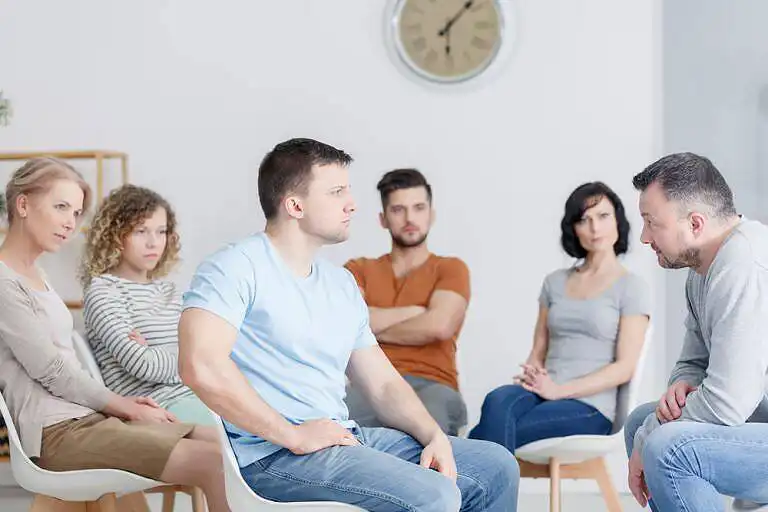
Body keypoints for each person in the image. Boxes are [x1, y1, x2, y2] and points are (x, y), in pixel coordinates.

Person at [177, 138, 519, 511]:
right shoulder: (235, 267)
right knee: (433, 494)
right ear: (295, 205)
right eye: (337, 191)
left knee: (495, 466)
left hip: (343, 438)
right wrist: (291, 435)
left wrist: (433, 434)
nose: (352, 203)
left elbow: (384, 384)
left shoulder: (340, 284)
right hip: (273, 456)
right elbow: (200, 364)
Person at [0, 158, 228, 511]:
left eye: (75, 213)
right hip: (55, 434)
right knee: (213, 461)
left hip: (86, 420)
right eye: (61, 207)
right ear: (24, 204)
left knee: (224, 444)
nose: (69, 223)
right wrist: (125, 407)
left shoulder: (36, 273)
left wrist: (121, 407)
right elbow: (51, 370)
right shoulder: (4, 282)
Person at [624, 152, 768, 512]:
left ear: (696, 223)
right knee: (641, 422)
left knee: (665, 445)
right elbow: (692, 360)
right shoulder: (704, 268)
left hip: (745, 409)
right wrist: (679, 388)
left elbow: (726, 403)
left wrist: (650, 436)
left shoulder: (743, 264)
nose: (643, 237)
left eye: (651, 222)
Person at [469, 182, 650, 453]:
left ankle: (466, 489)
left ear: (618, 220)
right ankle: (485, 491)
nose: (595, 228)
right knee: (497, 401)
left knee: (481, 435)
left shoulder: (631, 286)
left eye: (603, 216)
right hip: (542, 391)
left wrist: (559, 391)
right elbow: (538, 350)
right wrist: (534, 377)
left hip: (590, 406)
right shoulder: (554, 282)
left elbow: (625, 367)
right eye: (584, 220)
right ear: (573, 229)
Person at [344, 168, 470, 436]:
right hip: (367, 384)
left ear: (431, 214)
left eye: (418, 208)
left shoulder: (451, 268)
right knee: (333, 431)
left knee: (432, 449)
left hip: (432, 384)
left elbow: (439, 326)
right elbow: (344, 325)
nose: (410, 218)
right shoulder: (358, 269)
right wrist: (415, 313)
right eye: (398, 210)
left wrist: (368, 327)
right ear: (383, 219)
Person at [81, 184, 213, 425]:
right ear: (116, 236)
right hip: (159, 408)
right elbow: (144, 365)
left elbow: (212, 353)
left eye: (161, 231)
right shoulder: (104, 292)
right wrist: (189, 358)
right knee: (261, 436)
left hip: (201, 397)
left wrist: (158, 352)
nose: (154, 243)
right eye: (141, 231)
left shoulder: (170, 291)